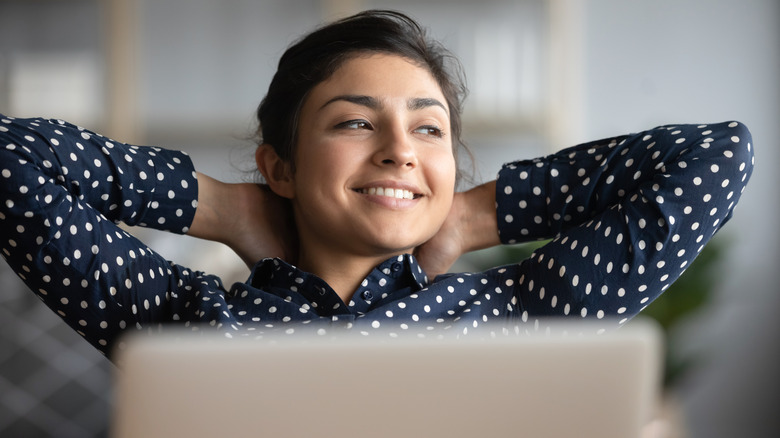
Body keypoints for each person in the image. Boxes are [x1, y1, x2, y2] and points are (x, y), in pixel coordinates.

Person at [0, 10, 754, 359]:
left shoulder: (518, 313)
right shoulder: (180, 320)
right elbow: (10, 159)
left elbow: (717, 156)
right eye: (356, 123)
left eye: (429, 130)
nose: (400, 151)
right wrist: (224, 207)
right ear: (280, 167)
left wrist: (469, 217)